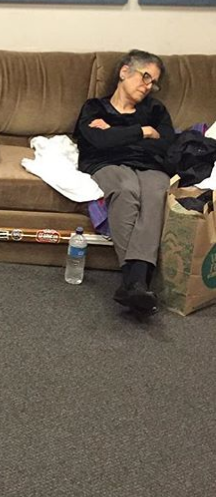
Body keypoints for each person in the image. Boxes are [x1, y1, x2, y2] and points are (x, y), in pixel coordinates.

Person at [74, 49, 175, 315]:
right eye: (145, 76)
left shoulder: (155, 109)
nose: (148, 86)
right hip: (107, 164)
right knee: (126, 189)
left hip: (151, 166)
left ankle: (133, 285)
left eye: (153, 82)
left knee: (156, 194)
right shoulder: (94, 107)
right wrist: (142, 131)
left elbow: (167, 143)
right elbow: (97, 142)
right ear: (124, 72)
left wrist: (115, 133)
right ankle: (137, 282)